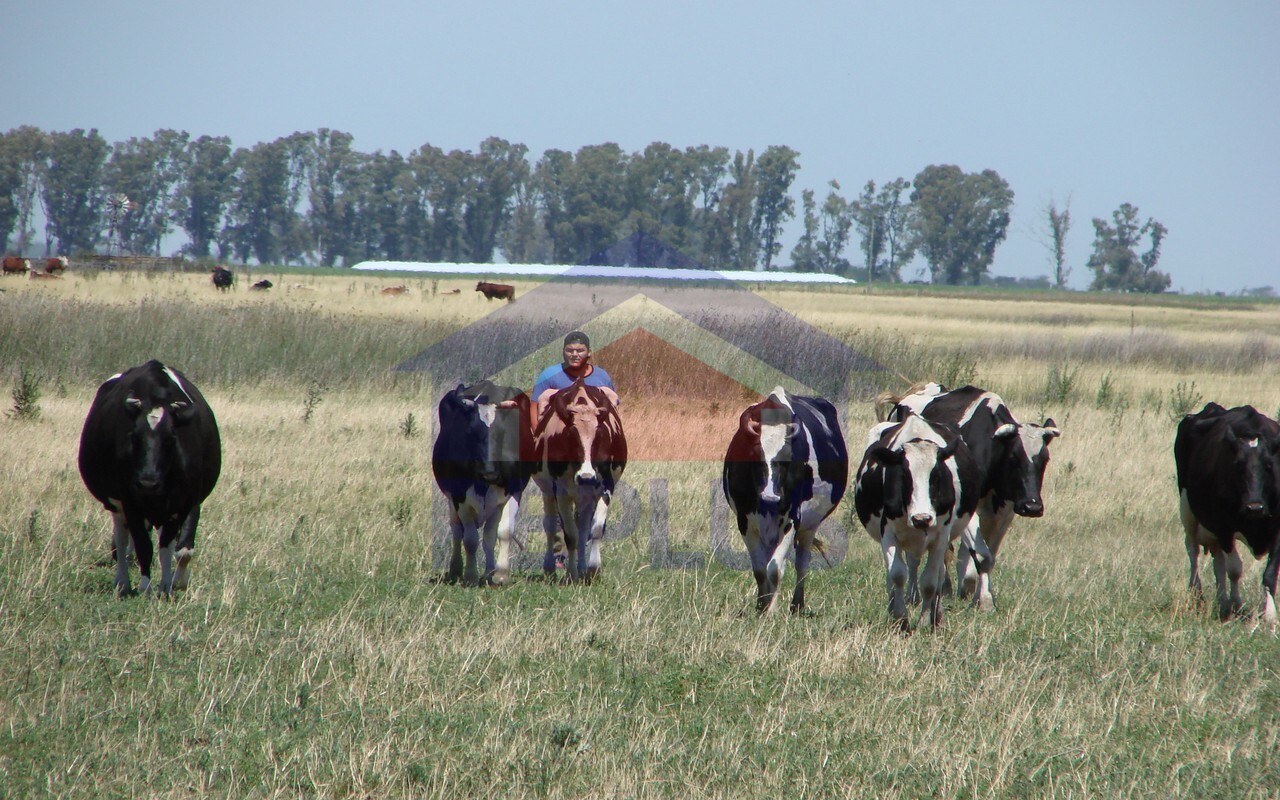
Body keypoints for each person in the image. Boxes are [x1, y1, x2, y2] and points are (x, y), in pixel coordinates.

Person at [532, 330, 615, 408]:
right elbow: (535, 407)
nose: (574, 354)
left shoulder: (602, 376)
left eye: (580, 350)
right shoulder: (549, 376)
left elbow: (612, 408)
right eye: (569, 350)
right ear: (563, 351)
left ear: (589, 352)